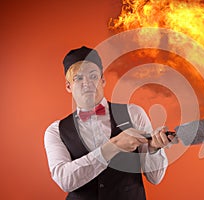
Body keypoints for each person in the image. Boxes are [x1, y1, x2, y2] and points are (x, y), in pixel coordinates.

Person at [44, 46, 176, 200]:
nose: (87, 83)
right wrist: (114, 145)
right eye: (78, 78)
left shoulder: (134, 114)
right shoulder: (55, 131)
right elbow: (65, 180)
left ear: (102, 80)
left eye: (93, 76)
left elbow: (155, 178)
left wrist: (153, 149)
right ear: (68, 86)